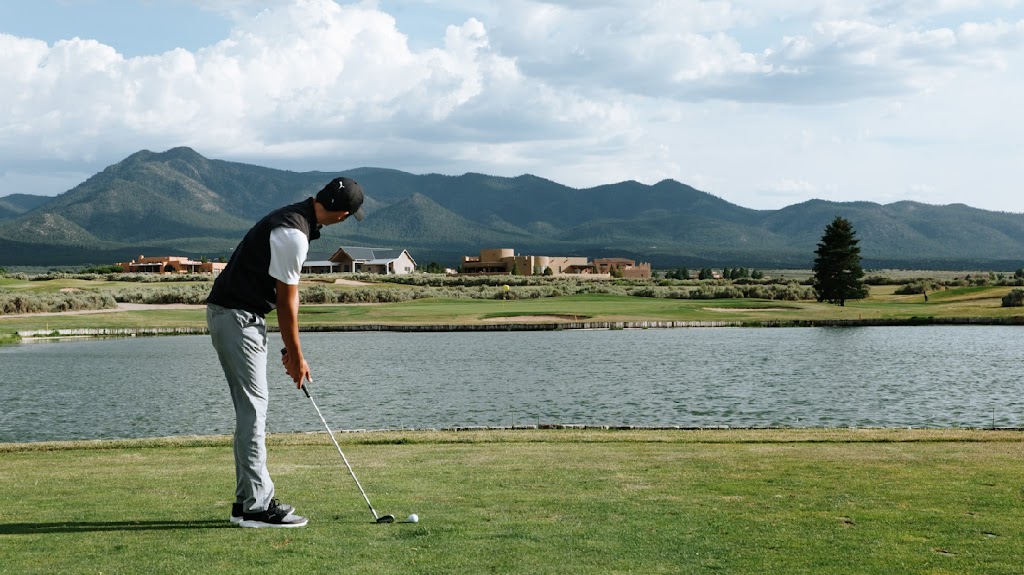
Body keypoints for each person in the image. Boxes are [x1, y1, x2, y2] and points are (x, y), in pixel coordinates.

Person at [206, 176, 365, 528]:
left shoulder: (293, 220)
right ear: (342, 215)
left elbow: (271, 295)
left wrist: (287, 348)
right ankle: (257, 508)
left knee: (251, 409)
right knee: (253, 410)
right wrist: (295, 355)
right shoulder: (294, 234)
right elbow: (286, 302)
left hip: (238, 316)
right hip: (236, 318)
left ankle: (245, 501)